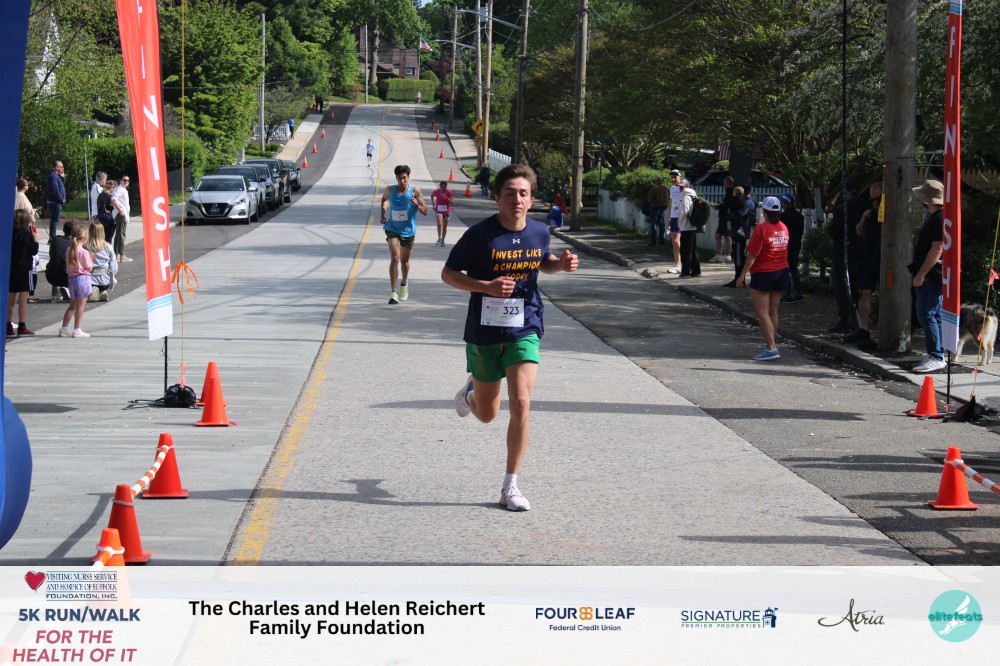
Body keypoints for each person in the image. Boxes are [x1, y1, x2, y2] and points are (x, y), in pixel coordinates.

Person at [441, 163, 579, 512]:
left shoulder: (539, 231)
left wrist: (559, 265)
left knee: (521, 402)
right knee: (487, 414)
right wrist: (484, 286)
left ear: (531, 199)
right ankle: (471, 393)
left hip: (525, 326)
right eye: (509, 193)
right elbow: (448, 274)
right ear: (497, 198)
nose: (516, 199)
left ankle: (510, 485)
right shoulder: (479, 235)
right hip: (484, 332)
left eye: (523, 193)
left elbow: (542, 261)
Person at [736, 196, 790, 360]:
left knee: (762, 312)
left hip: (763, 273)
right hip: (781, 271)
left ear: (764, 212)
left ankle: (771, 348)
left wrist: (742, 275)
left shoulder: (761, 229)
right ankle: (771, 345)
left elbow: (752, 255)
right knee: (773, 311)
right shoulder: (784, 227)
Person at [910, 179, 946, 373]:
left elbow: (937, 249)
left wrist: (921, 273)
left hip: (931, 274)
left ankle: (936, 355)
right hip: (933, 273)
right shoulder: (937, 217)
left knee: (927, 313)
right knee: (934, 313)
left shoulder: (938, 219)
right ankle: (937, 352)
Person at [380, 164, 428, 304]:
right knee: (395, 258)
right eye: (400, 178)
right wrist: (383, 214)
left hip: (408, 231)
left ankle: (404, 283)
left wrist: (417, 205)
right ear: (396, 178)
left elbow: (425, 211)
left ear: (408, 177)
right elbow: (384, 200)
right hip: (392, 228)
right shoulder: (390, 190)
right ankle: (393, 293)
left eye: (405, 178)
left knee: (404, 262)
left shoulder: (414, 191)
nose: (402, 181)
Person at [827, 179, 867, 333]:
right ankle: (859, 319)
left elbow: (833, 231)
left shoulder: (843, 209)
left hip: (843, 251)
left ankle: (845, 319)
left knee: (842, 285)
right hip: (862, 250)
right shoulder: (866, 207)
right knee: (859, 286)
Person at [845, 181, 883, 343]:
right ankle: (864, 328)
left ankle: (886, 330)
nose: (874, 203)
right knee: (864, 292)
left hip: (883, 259)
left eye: (878, 199)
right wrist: (863, 219)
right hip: (867, 257)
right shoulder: (870, 213)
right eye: (872, 199)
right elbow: (858, 231)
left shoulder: (889, 214)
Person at [7, 209, 39, 337]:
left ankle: (7, 325)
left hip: (11, 267)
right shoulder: (27, 235)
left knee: (11, 298)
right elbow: (33, 250)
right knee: (23, 298)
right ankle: (22, 325)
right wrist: (35, 240)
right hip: (24, 268)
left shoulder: (10, 233)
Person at [59, 223, 94, 338]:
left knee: (72, 306)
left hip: (72, 280)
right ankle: (77, 329)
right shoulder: (84, 252)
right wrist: (91, 259)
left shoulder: (69, 250)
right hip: (83, 279)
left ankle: (64, 328)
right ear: (85, 238)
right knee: (80, 306)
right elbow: (89, 268)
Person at [724, 185, 756, 288]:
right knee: (738, 255)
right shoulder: (744, 202)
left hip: (740, 233)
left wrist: (731, 213)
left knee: (739, 256)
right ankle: (738, 278)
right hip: (739, 232)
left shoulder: (746, 203)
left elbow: (740, 214)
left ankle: (739, 280)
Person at [15, 178, 40, 302]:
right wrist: (32, 212)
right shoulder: (21, 197)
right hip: (24, 227)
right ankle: (28, 294)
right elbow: (27, 212)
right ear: (23, 186)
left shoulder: (16, 196)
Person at [779, 193, 805, 303]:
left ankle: (787, 294)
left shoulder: (782, 217)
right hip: (796, 244)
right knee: (794, 269)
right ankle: (798, 293)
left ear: (786, 203)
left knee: (785, 270)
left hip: (785, 245)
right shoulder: (800, 216)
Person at [85, 222, 117, 302]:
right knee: (105, 279)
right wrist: (112, 275)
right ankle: (103, 291)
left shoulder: (85, 247)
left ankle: (93, 290)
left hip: (90, 280)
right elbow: (113, 266)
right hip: (104, 281)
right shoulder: (108, 247)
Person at [677, 179, 701, 278]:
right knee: (693, 249)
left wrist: (678, 215)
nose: (680, 188)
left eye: (682, 186)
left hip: (687, 226)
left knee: (686, 250)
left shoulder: (686, 196)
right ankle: (696, 271)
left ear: (687, 186)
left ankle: (686, 272)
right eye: (679, 186)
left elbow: (684, 211)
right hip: (692, 225)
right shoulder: (693, 196)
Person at [47, 220, 76, 302]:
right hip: (68, 276)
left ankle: (55, 291)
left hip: (52, 275)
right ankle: (67, 289)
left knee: (54, 263)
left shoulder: (55, 240)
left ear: (63, 230)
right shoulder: (74, 244)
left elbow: (51, 255)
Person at [96, 179, 125, 248]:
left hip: (101, 218)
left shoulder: (100, 195)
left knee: (102, 237)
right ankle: (108, 252)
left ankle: (102, 251)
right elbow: (115, 207)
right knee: (109, 239)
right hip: (109, 219)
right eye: (115, 188)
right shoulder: (110, 197)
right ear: (113, 187)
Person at [712, 176, 735, 262]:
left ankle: (728, 254)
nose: (723, 185)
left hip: (726, 218)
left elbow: (727, 205)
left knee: (726, 235)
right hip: (723, 217)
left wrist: (718, 206)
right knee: (718, 235)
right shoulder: (728, 192)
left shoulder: (731, 192)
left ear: (728, 183)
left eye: (724, 183)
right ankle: (719, 254)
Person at [666, 169, 684, 273]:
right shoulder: (672, 189)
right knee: (673, 240)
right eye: (672, 177)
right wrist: (669, 217)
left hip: (680, 217)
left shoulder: (684, 186)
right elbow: (671, 203)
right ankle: (677, 264)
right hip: (673, 216)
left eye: (675, 177)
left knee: (677, 240)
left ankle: (684, 262)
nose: (673, 179)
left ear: (680, 177)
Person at [44, 160, 66, 242]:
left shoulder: (56, 175)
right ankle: (52, 239)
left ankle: (52, 238)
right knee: (54, 220)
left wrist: (62, 177)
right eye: (61, 167)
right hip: (55, 202)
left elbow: (61, 185)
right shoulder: (53, 176)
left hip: (57, 201)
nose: (63, 168)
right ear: (57, 167)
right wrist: (61, 199)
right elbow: (55, 190)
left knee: (55, 220)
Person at [113, 174, 133, 262]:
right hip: (121, 215)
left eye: (128, 180)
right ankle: (120, 255)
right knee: (121, 234)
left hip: (122, 214)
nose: (126, 182)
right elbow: (113, 199)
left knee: (119, 234)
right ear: (120, 181)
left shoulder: (123, 189)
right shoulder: (120, 189)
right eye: (124, 180)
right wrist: (120, 210)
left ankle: (117, 254)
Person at [645, 175, 669, 246]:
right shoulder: (666, 188)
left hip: (655, 207)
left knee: (653, 224)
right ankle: (662, 241)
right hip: (663, 207)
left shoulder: (654, 189)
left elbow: (649, 199)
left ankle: (653, 241)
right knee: (661, 224)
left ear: (655, 181)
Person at [431, 180, 454, 247]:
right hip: (438, 210)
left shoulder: (449, 192)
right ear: (440, 186)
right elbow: (432, 196)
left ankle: (443, 240)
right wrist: (433, 204)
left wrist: (447, 198)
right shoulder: (436, 191)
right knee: (439, 224)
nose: (443, 189)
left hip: (446, 211)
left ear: (446, 187)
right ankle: (439, 238)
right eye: (442, 187)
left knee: (444, 226)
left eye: (444, 187)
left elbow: (453, 202)